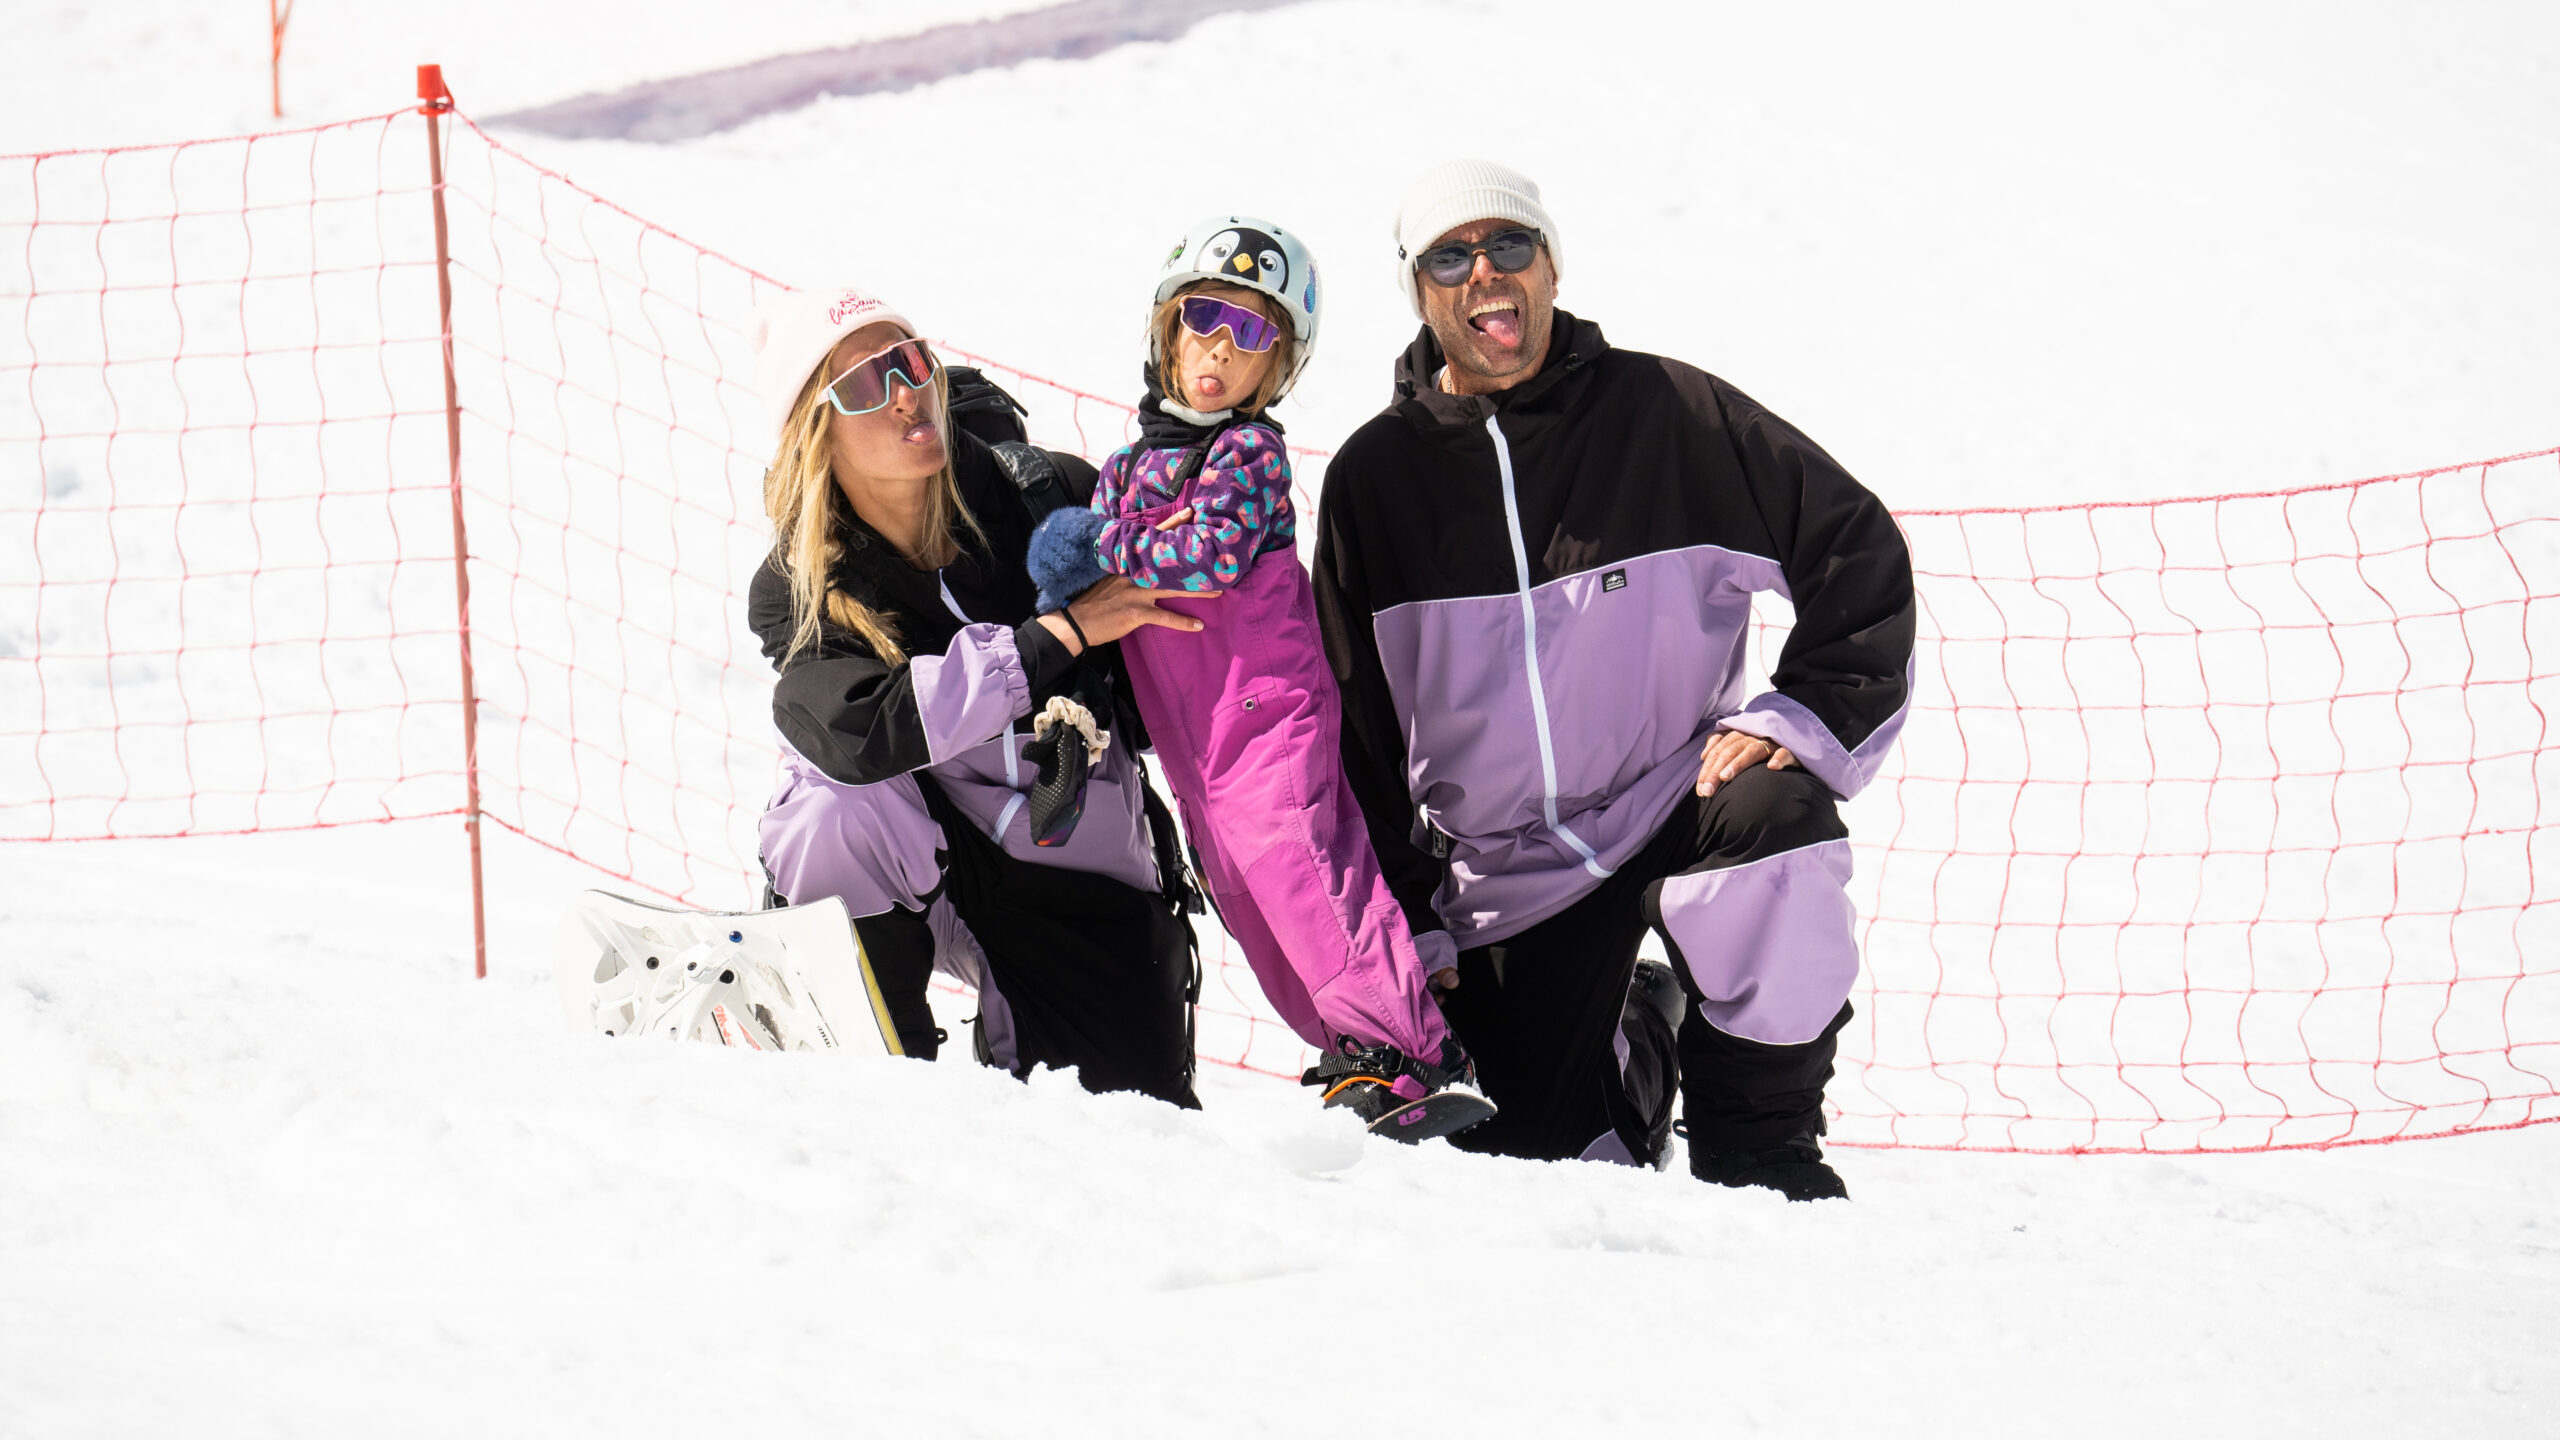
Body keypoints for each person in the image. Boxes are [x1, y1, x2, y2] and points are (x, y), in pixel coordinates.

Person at [1311, 161, 1917, 1198]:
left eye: (1510, 247)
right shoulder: (1377, 475)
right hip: (1503, 873)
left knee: (1776, 818)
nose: (1485, 275)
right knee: (1521, 1167)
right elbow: (1352, 724)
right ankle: (1640, 1049)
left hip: (1676, 800)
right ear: (1418, 291)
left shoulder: (1669, 412)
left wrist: (1808, 712)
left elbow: (1850, 544)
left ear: (1550, 267)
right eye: (1450, 257)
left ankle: (1758, 1145)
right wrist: (1407, 909)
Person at [1023, 217, 1481, 1135]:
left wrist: (1096, 546)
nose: (1222, 350)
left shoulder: (1247, 454)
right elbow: (1098, 606)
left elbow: (1210, 555)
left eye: (1254, 333)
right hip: (1192, 743)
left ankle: (1414, 1049)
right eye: (1204, 318)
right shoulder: (1122, 470)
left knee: (1302, 871)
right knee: (1244, 894)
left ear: (1278, 366)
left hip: (1265, 710)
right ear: (1168, 328)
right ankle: (1352, 1051)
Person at [747, 285, 1205, 1107]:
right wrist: (1053, 640)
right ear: (818, 436)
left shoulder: (1050, 498)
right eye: (861, 385)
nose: (903, 392)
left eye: (910, 362)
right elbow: (857, 731)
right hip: (909, 849)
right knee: (831, 803)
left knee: (1127, 1123)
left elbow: (1188, 652)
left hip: (1058, 850)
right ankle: (868, 1060)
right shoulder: (802, 588)